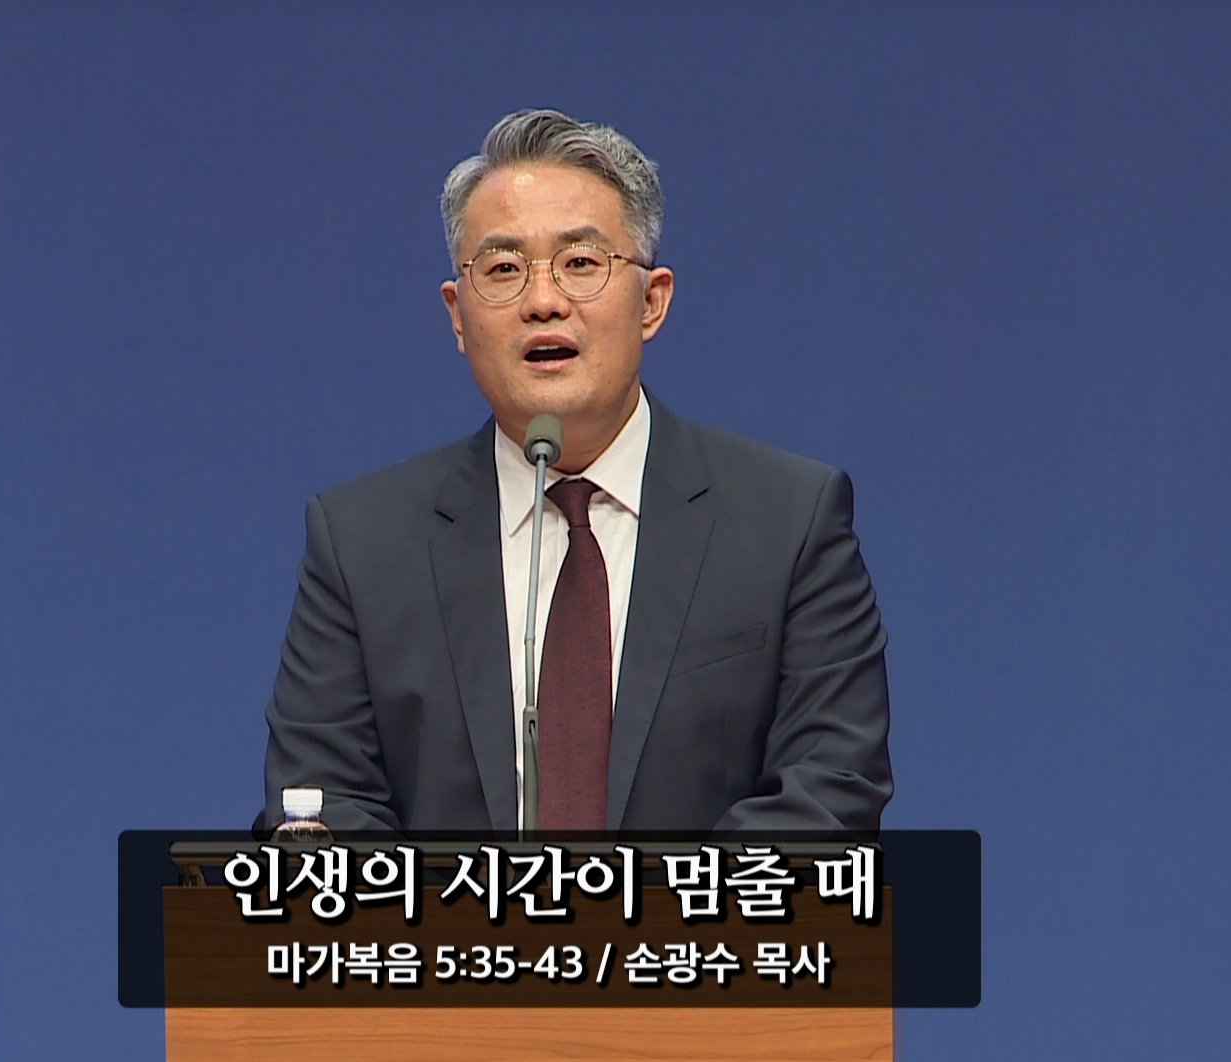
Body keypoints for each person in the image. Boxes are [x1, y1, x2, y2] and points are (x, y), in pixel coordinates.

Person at [260, 108, 891, 834]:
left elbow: (829, 794)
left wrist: (620, 913)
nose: (543, 302)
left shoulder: (788, 523)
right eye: (503, 269)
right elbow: (321, 808)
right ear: (457, 315)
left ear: (651, 301)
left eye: (581, 263)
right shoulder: (361, 544)